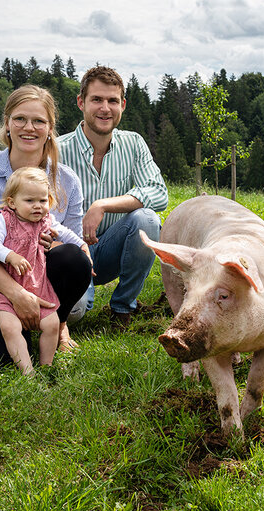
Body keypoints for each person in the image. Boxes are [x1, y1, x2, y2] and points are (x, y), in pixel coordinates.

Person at [0, 84, 93, 364]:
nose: (29, 127)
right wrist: (17, 295)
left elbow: (73, 244)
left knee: (73, 259)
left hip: (41, 273)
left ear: (50, 128)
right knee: (4, 355)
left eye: (39, 121)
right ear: (7, 124)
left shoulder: (67, 181)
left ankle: (59, 324)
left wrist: (55, 242)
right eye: (20, 119)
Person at [56, 66, 168, 325]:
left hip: (112, 249)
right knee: (73, 315)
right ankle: (79, 295)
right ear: (81, 102)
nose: (105, 108)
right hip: (70, 253)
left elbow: (158, 193)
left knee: (147, 220)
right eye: (96, 99)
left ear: (123, 105)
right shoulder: (57, 150)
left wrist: (103, 205)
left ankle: (123, 308)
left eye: (112, 101)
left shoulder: (134, 143)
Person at [0, 166, 92, 374]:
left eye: (42, 201)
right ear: (12, 202)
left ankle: (47, 366)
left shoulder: (46, 222)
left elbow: (67, 234)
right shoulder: (5, 220)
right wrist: (10, 255)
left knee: (51, 325)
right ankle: (27, 372)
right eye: (29, 201)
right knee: (10, 328)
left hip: (38, 286)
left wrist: (83, 246)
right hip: (8, 288)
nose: (37, 206)